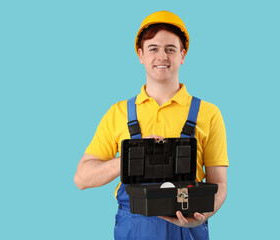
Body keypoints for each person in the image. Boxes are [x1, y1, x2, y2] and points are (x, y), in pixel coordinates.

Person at [74, 10, 229, 240]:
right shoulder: (117, 114)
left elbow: (219, 185)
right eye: (153, 48)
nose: (162, 56)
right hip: (134, 230)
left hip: (187, 230)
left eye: (170, 49)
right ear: (141, 54)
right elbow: (82, 178)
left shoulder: (209, 114)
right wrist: (130, 157)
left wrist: (203, 216)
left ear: (183, 54)